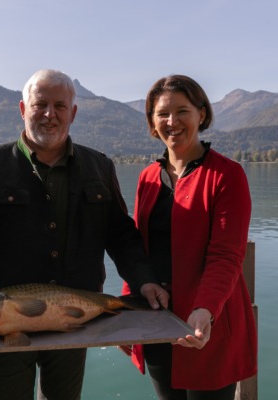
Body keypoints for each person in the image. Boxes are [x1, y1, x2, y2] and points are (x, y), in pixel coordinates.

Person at [0, 69, 169, 400]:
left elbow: (122, 237)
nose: (50, 114)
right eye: (40, 104)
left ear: (73, 113)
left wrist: (145, 280)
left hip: (73, 316)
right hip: (4, 320)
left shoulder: (100, 166)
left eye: (60, 106)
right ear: (23, 109)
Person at [121, 75, 258, 399]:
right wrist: (126, 309)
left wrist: (205, 308)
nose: (172, 122)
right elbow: (138, 249)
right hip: (156, 321)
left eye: (182, 111)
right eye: (162, 113)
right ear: (152, 122)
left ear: (201, 114)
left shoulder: (226, 175)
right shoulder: (148, 178)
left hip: (207, 324)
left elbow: (226, 255)